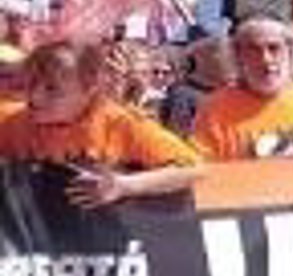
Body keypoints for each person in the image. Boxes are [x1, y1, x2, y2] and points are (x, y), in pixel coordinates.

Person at [0, 40, 202, 205]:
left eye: (52, 89)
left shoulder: (120, 123)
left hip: (100, 236)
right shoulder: (11, 119)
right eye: (31, 83)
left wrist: (124, 186)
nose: (34, 97)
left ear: (89, 90)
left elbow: (193, 170)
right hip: (35, 235)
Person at [192, 17, 293, 160]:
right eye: (253, 50)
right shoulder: (215, 110)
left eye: (274, 48)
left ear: (291, 51)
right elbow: (201, 167)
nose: (265, 59)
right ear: (238, 56)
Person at [159, 35, 234, 137]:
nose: (232, 62)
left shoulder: (230, 93)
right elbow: (180, 137)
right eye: (225, 55)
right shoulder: (184, 96)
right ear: (200, 57)